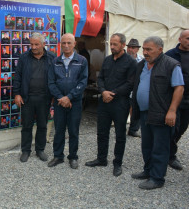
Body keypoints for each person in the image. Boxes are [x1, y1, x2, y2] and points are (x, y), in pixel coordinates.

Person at [131, 36, 184, 190]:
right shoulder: (142, 65)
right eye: (144, 49)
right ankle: (148, 171)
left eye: (149, 49)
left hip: (162, 113)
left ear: (160, 49)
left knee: (160, 147)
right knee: (146, 145)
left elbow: (179, 88)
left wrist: (172, 111)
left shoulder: (171, 65)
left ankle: (157, 178)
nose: (145, 52)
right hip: (145, 113)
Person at [85, 33, 136, 177]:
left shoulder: (131, 63)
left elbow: (130, 83)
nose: (112, 47)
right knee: (102, 132)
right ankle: (101, 159)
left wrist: (111, 93)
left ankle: (117, 163)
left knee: (120, 134)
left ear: (123, 45)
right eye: (111, 44)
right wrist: (103, 91)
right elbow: (100, 78)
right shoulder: (107, 60)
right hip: (104, 102)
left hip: (120, 103)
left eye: (115, 44)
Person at [47, 33, 88, 169]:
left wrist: (69, 97)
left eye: (69, 43)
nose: (66, 45)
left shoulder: (82, 61)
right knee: (59, 130)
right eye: (63, 43)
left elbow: (83, 82)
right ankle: (58, 156)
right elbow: (51, 83)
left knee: (73, 131)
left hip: (74, 103)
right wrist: (61, 98)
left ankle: (73, 157)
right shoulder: (55, 61)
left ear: (74, 44)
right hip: (59, 102)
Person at [13, 32, 56, 162]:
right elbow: (18, 77)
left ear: (43, 44)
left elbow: (55, 78)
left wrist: (54, 95)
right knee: (26, 125)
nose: (34, 47)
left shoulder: (52, 58)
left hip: (45, 98)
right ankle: (26, 150)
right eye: (31, 44)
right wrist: (17, 94)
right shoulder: (24, 57)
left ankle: (40, 150)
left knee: (43, 125)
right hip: (27, 98)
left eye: (37, 44)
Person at [166, 29, 189, 171]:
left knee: (182, 127)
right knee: (173, 127)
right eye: (187, 38)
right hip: (174, 98)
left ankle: (169, 148)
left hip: (188, 99)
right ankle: (170, 155)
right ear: (180, 39)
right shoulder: (170, 55)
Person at [126, 38, 144, 137]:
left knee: (137, 111)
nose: (130, 50)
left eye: (133, 48)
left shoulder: (142, 60)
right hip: (126, 89)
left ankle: (133, 129)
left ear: (137, 49)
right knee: (124, 110)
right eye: (129, 47)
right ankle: (120, 129)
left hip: (137, 89)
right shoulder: (123, 59)